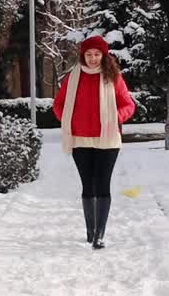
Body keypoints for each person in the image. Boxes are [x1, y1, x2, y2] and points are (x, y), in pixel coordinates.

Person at [53, 35, 137, 250]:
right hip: (80, 138)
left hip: (107, 139)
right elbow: (59, 105)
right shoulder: (73, 78)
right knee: (87, 185)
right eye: (89, 55)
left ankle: (100, 234)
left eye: (97, 54)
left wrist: (116, 117)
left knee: (102, 184)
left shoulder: (113, 77)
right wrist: (68, 119)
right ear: (83, 55)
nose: (92, 59)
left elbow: (128, 104)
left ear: (104, 55)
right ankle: (90, 231)